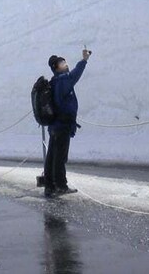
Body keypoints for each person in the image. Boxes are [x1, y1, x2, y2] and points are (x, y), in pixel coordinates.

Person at [43, 49, 91, 199]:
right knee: (60, 157)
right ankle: (61, 186)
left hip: (55, 126)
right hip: (62, 125)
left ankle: (50, 186)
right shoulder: (62, 80)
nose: (65, 64)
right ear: (56, 68)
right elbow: (75, 75)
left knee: (52, 155)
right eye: (62, 63)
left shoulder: (55, 81)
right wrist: (84, 60)